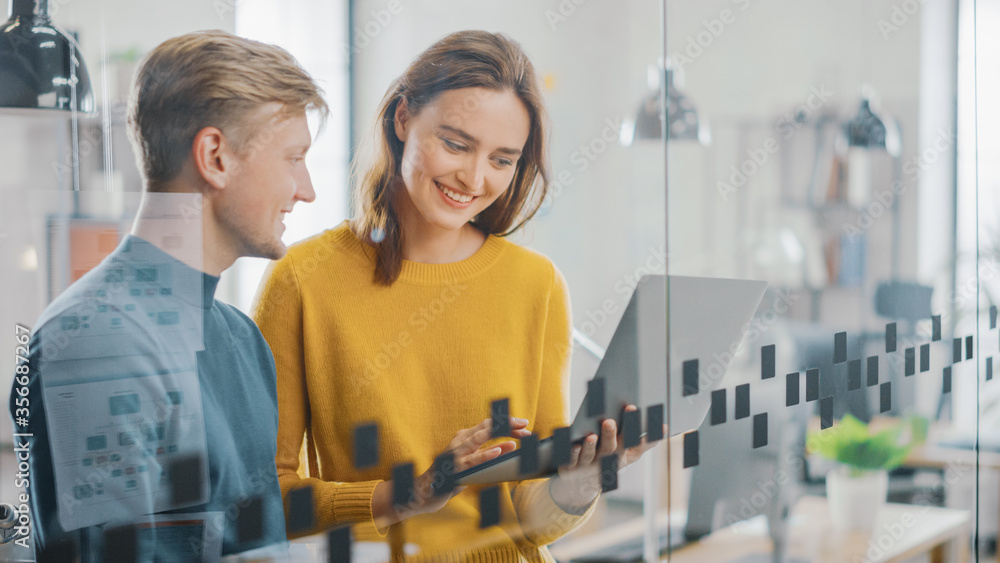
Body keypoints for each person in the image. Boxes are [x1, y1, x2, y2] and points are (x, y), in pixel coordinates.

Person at [253, 30, 655, 560]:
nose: (473, 178)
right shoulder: (304, 279)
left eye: (502, 160)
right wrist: (408, 495)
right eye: (456, 144)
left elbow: (533, 522)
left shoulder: (537, 284)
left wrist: (585, 479)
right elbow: (262, 502)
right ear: (402, 119)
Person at [9, 30, 327, 562]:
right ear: (215, 157)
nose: (307, 188)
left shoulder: (242, 339)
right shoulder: (94, 339)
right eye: (293, 158)